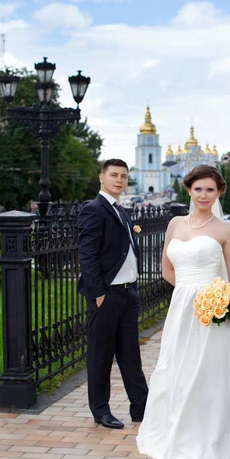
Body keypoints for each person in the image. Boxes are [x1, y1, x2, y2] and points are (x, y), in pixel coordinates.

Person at [136, 165, 230, 459]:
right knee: (178, 380)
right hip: (181, 313)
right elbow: (166, 268)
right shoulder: (175, 224)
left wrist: (216, 301)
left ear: (219, 193)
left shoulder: (225, 230)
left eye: (210, 190)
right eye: (198, 189)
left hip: (213, 317)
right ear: (188, 190)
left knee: (206, 385)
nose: (204, 195)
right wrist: (188, 295)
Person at [77, 159, 148, 429]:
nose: (119, 180)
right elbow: (88, 254)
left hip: (129, 293)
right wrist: (97, 293)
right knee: (101, 354)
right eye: (114, 175)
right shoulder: (93, 209)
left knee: (130, 353)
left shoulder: (121, 210)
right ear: (102, 178)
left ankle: (140, 408)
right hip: (107, 295)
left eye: (123, 176)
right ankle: (100, 410)